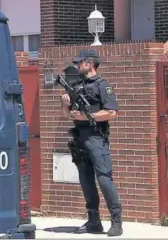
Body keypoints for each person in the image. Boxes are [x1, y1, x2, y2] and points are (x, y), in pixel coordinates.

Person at [60, 49, 123, 237]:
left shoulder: (102, 86)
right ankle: (94, 221)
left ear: (90, 63)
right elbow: (67, 115)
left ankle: (116, 220)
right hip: (79, 137)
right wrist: (65, 104)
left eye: (80, 62)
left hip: (96, 137)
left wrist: (87, 116)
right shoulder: (77, 86)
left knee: (104, 178)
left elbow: (112, 113)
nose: (78, 65)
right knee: (85, 180)